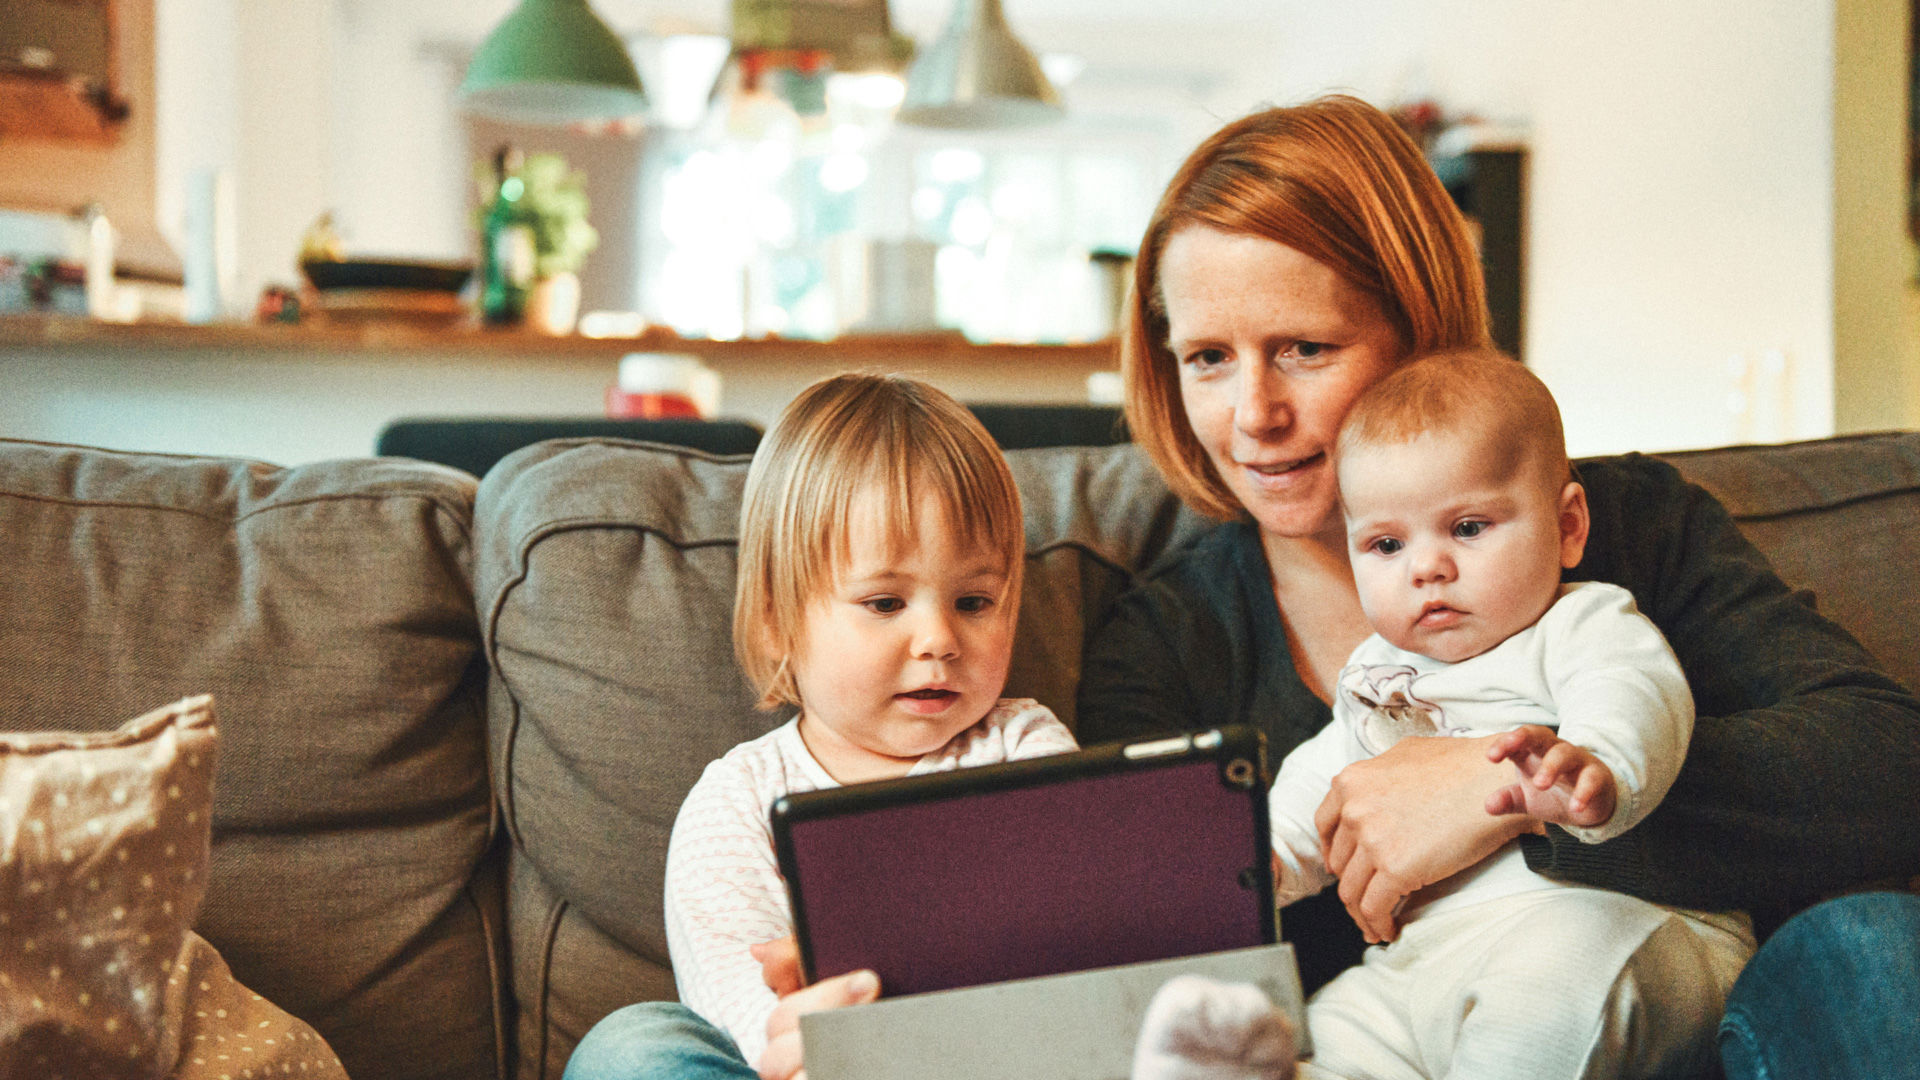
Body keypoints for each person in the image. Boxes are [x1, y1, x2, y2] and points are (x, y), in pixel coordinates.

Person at [1073, 93, 1920, 1078]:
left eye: (1306, 348)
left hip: (1686, 1020)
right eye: (1209, 359)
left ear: (1418, 331)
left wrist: (1506, 786)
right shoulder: (1166, 641)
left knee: (1872, 945)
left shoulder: (1626, 527)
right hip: (1390, 1035)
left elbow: (1887, 764)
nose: (1255, 413)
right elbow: (1154, 934)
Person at [1248, 346, 1749, 1077]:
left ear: (1568, 526)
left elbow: (1635, 693)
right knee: (1323, 1035)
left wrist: (1595, 765)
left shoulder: (1580, 625)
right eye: (1386, 543)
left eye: (1469, 528)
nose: (1427, 567)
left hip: (1611, 926)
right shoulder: (1376, 676)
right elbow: (1323, 784)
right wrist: (1256, 863)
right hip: (1422, 963)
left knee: (1542, 1004)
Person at [570, 372, 1081, 1078]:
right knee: (634, 1046)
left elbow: (1074, 957)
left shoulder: (1025, 749)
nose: (938, 638)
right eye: (883, 603)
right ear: (777, 619)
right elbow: (746, 1019)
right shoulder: (736, 803)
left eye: (973, 600)